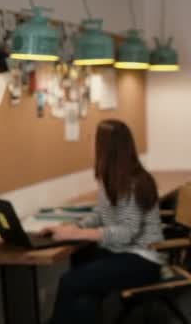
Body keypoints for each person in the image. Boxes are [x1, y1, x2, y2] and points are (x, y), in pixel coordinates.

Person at [43, 119, 164, 324]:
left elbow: (127, 232)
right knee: (84, 293)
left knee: (69, 282)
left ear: (107, 147)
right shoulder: (110, 177)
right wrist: (75, 227)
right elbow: (101, 214)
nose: (91, 143)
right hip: (118, 252)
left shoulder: (136, 182)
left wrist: (78, 235)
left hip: (142, 259)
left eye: (94, 139)